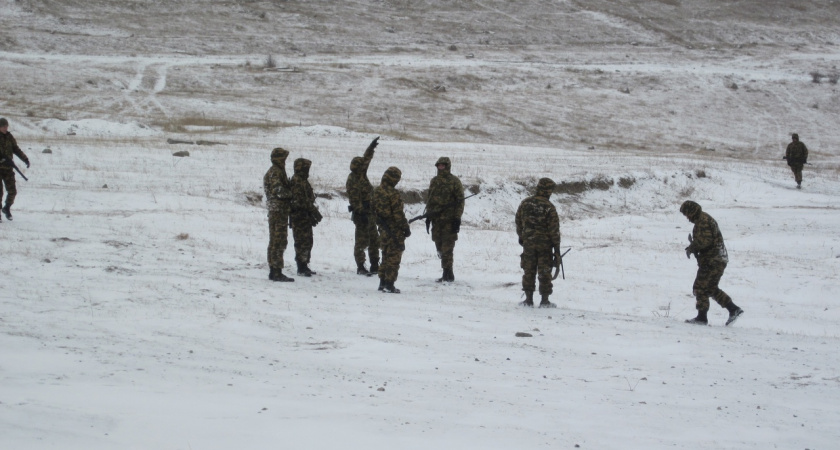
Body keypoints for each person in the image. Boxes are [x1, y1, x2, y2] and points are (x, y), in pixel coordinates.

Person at [680, 200, 743, 326]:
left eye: (687, 214)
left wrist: (693, 247)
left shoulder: (703, 221)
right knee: (709, 288)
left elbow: (705, 241)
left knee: (701, 287)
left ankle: (702, 318)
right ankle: (733, 309)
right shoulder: (702, 220)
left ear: (692, 211)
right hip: (715, 259)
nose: (687, 218)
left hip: (713, 260)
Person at [515, 178, 561, 308]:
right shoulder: (549, 207)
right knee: (545, 271)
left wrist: (522, 237)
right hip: (544, 246)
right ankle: (544, 301)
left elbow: (518, 221)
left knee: (528, 270)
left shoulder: (525, 203)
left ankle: (528, 299)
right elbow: (554, 230)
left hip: (528, 244)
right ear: (548, 190)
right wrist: (556, 248)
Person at [424, 157, 464, 282]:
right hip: (436, 221)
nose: (440, 167)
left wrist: (457, 218)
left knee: (448, 248)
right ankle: (446, 271)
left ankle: (448, 273)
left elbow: (460, 202)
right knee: (439, 246)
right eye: (439, 165)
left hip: (449, 220)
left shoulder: (454, 181)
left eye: (443, 165)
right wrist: (428, 216)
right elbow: (430, 199)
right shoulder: (434, 181)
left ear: (447, 166)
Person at [346, 137, 381, 275]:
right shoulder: (352, 180)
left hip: (370, 212)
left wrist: (371, 148)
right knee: (361, 241)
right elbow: (354, 200)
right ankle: (360, 266)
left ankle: (375, 265)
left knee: (374, 240)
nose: (364, 167)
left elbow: (366, 159)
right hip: (361, 214)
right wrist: (361, 212)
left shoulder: (362, 174)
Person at [373, 166, 410, 293]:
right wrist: (405, 228)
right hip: (394, 230)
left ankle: (382, 282)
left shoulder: (376, 191)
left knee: (385, 255)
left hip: (382, 229)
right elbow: (398, 214)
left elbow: (373, 210)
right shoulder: (393, 194)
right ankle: (389, 284)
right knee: (394, 257)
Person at [263, 147, 295, 282]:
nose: (285, 161)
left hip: (276, 210)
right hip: (278, 211)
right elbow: (279, 191)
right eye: (284, 158)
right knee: (279, 240)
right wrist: (291, 194)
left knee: (275, 240)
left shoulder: (274, 171)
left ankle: (274, 270)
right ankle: (276, 271)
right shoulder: (275, 172)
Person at [290, 158, 322, 277]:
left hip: (305, 216)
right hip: (299, 216)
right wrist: (312, 209)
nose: (307, 170)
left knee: (308, 240)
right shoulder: (297, 181)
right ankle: (301, 266)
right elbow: (300, 200)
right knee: (301, 241)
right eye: (306, 168)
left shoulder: (303, 180)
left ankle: (305, 264)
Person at [0, 118, 31, 222]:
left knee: (12, 191)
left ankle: (6, 208)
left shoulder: (9, 137)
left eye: (6, 126)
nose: (5, 128)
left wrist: (25, 159)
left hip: (8, 169)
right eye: (3, 126)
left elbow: (16, 149)